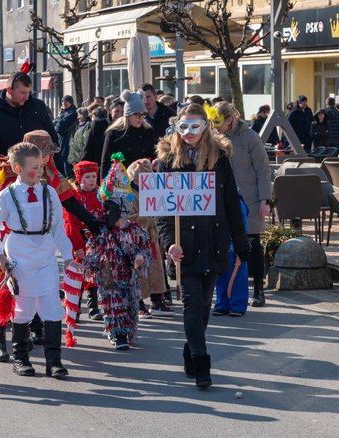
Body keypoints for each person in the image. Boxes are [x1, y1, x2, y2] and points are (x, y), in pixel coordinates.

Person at [155, 103, 250, 388]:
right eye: (183, 127)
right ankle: (201, 361)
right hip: (184, 245)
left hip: (214, 240)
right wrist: (169, 244)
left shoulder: (220, 158)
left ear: (206, 126)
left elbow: (232, 202)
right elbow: (161, 209)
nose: (189, 133)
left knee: (204, 306)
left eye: (195, 126)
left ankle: (189, 349)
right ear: (176, 127)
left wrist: (241, 242)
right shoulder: (167, 160)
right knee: (192, 303)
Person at [0, 142, 76, 378]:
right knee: (23, 309)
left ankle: (54, 361)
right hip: (19, 257)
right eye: (34, 167)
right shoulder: (7, 195)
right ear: (18, 169)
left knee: (52, 308)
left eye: (41, 165)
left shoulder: (50, 192)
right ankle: (21, 359)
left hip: (45, 257)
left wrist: (67, 257)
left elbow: (58, 229)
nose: (40, 170)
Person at [83, 152, 152, 350]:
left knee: (130, 305)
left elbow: (145, 249)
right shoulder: (102, 230)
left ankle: (126, 331)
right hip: (108, 275)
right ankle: (118, 334)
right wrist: (91, 264)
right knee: (113, 305)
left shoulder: (136, 229)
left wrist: (140, 258)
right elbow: (93, 251)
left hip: (129, 276)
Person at [214, 102, 271, 309]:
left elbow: (263, 170)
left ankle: (258, 289)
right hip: (223, 200)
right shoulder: (214, 138)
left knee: (252, 243)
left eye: (218, 121)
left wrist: (265, 199)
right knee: (224, 244)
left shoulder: (250, 138)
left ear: (230, 119)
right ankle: (227, 291)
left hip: (249, 199)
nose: (215, 126)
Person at [125, 158, 172, 317]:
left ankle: (157, 301)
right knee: (139, 272)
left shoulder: (154, 192)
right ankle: (138, 302)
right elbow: (130, 217)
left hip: (152, 238)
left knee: (156, 270)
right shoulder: (129, 194)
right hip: (137, 239)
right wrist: (148, 218)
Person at [0, 71, 57, 163]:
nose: (26, 97)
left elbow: (52, 138)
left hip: (39, 171)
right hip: (6, 172)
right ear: (9, 90)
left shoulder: (38, 107)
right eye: (22, 93)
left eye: (28, 92)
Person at [64, 161, 105, 320]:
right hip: (81, 240)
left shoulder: (101, 194)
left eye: (94, 176)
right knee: (79, 274)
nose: (91, 180)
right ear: (79, 178)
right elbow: (70, 225)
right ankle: (74, 307)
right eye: (87, 177)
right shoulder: (73, 198)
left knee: (94, 274)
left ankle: (93, 307)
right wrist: (76, 246)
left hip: (97, 241)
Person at [100, 90, 156, 177]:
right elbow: (106, 161)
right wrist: (104, 185)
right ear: (128, 115)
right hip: (120, 180)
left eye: (143, 114)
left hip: (143, 179)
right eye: (137, 114)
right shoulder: (114, 132)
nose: (140, 118)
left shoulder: (148, 130)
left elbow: (153, 155)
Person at [54, 95, 78, 176]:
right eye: (62, 101)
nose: (63, 103)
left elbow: (58, 127)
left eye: (66, 101)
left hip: (68, 145)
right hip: (64, 145)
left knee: (68, 172)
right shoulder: (65, 112)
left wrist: (57, 121)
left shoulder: (73, 113)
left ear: (70, 102)